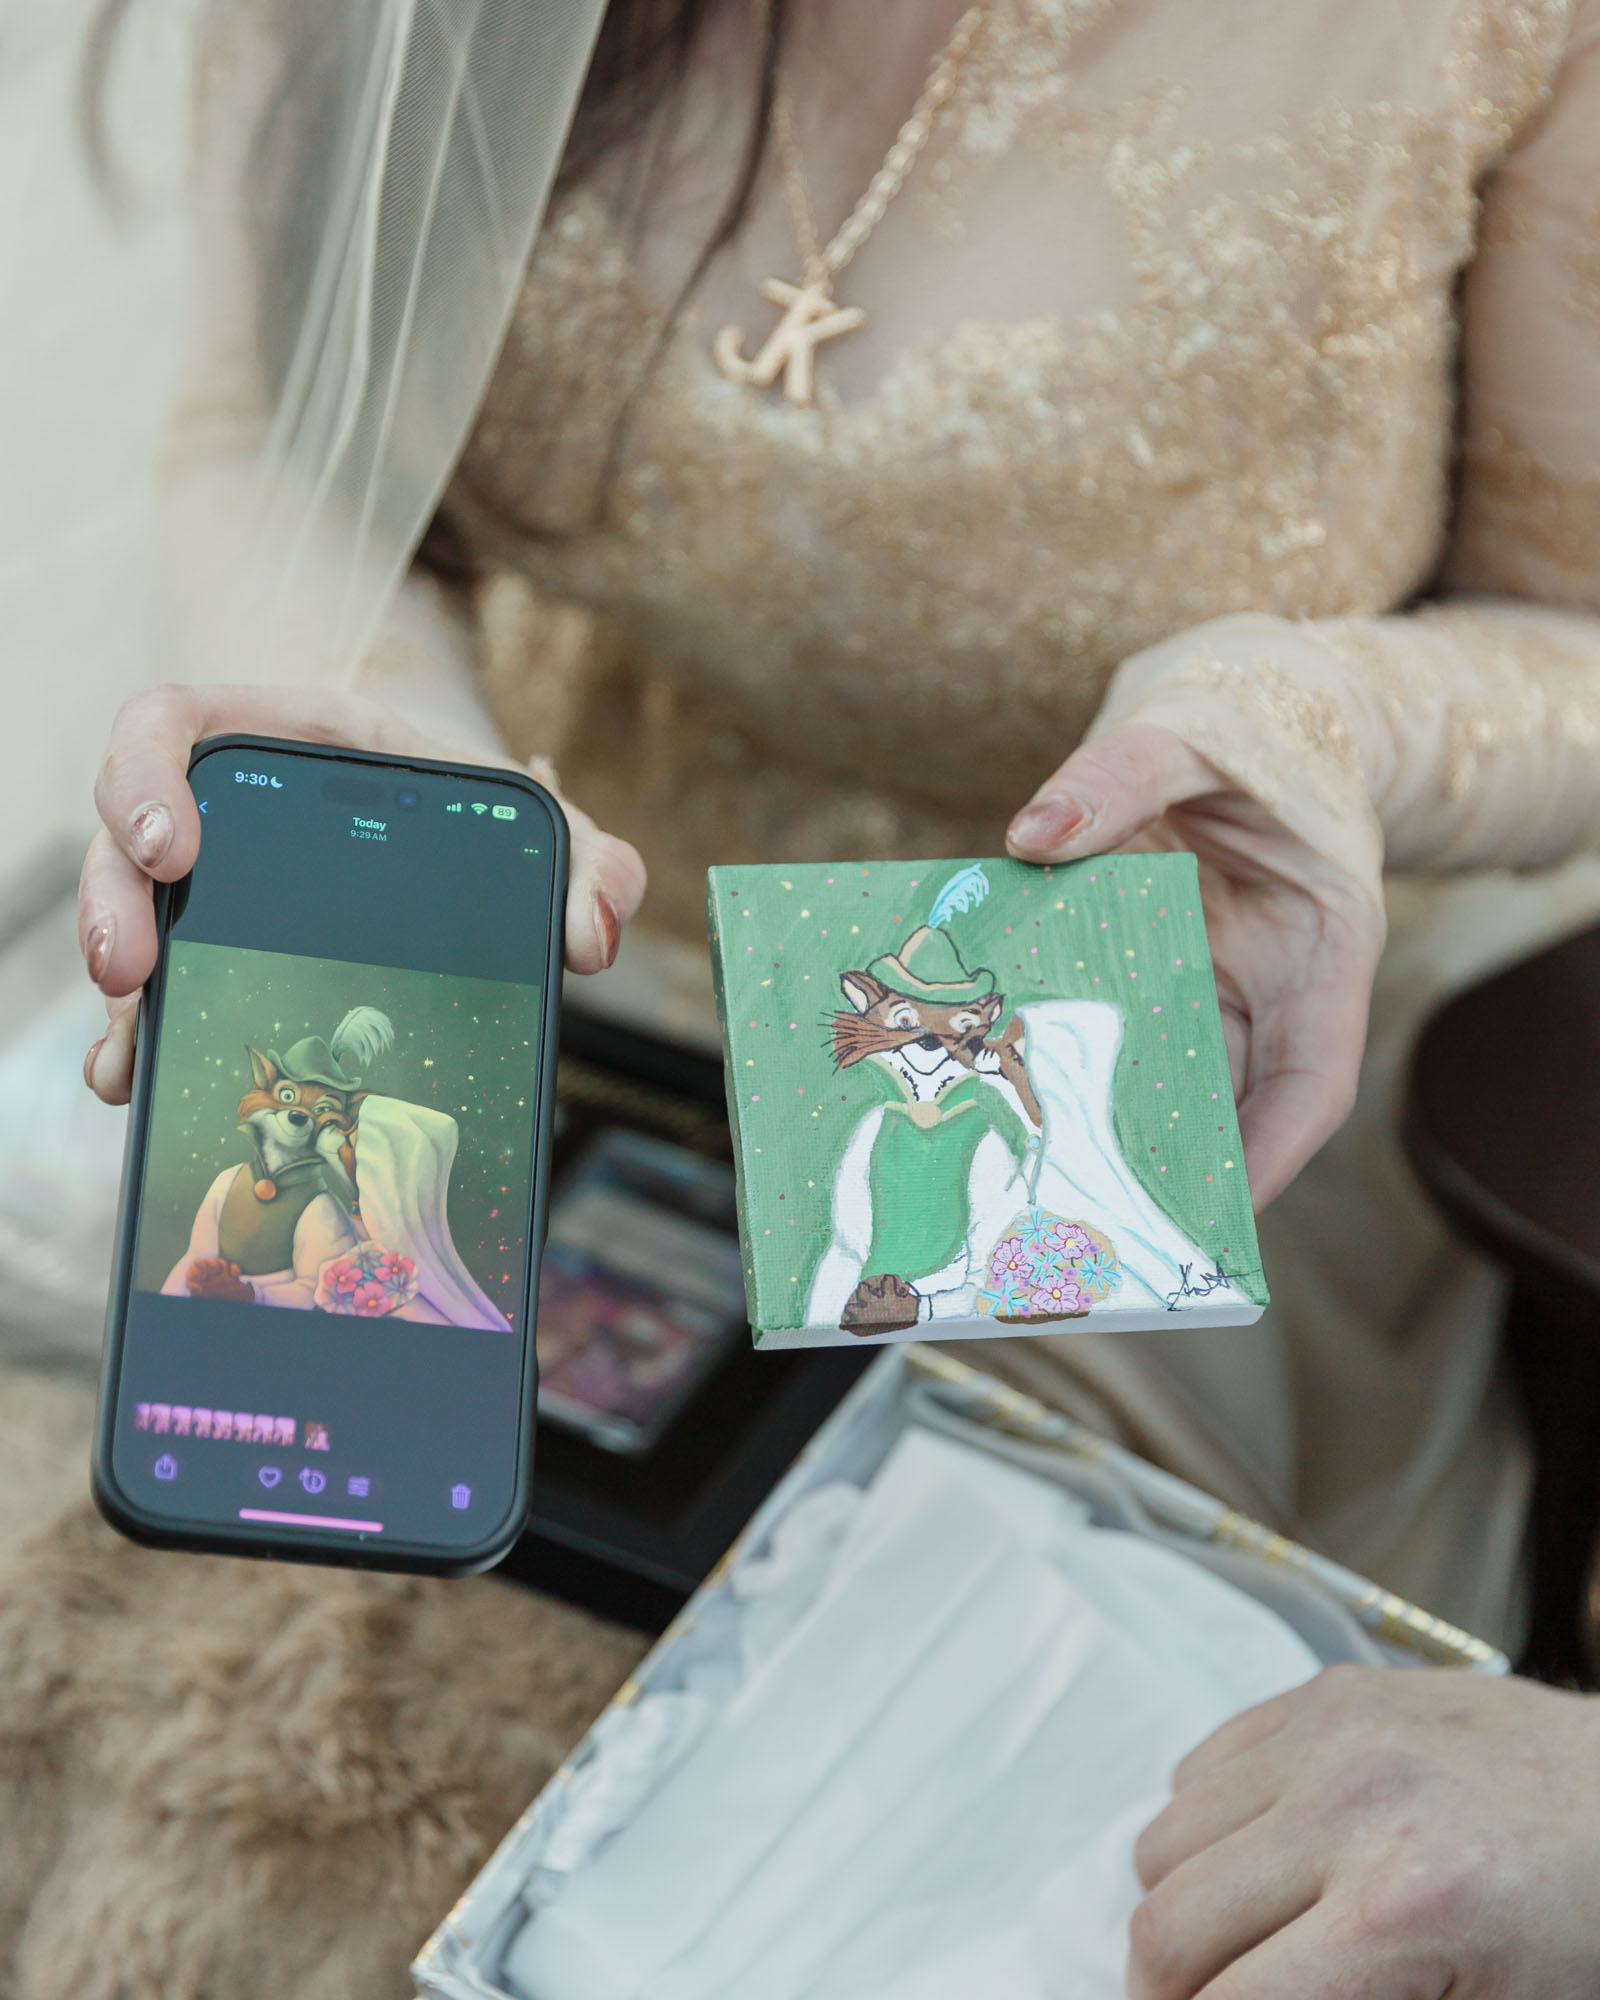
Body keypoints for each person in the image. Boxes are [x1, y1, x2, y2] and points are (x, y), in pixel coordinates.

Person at [74, 0, 1600, 1989]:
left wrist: (1321, 712)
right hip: (549, 906)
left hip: (1142, 995)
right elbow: (275, 428)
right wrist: (409, 773)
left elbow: (1573, 632)